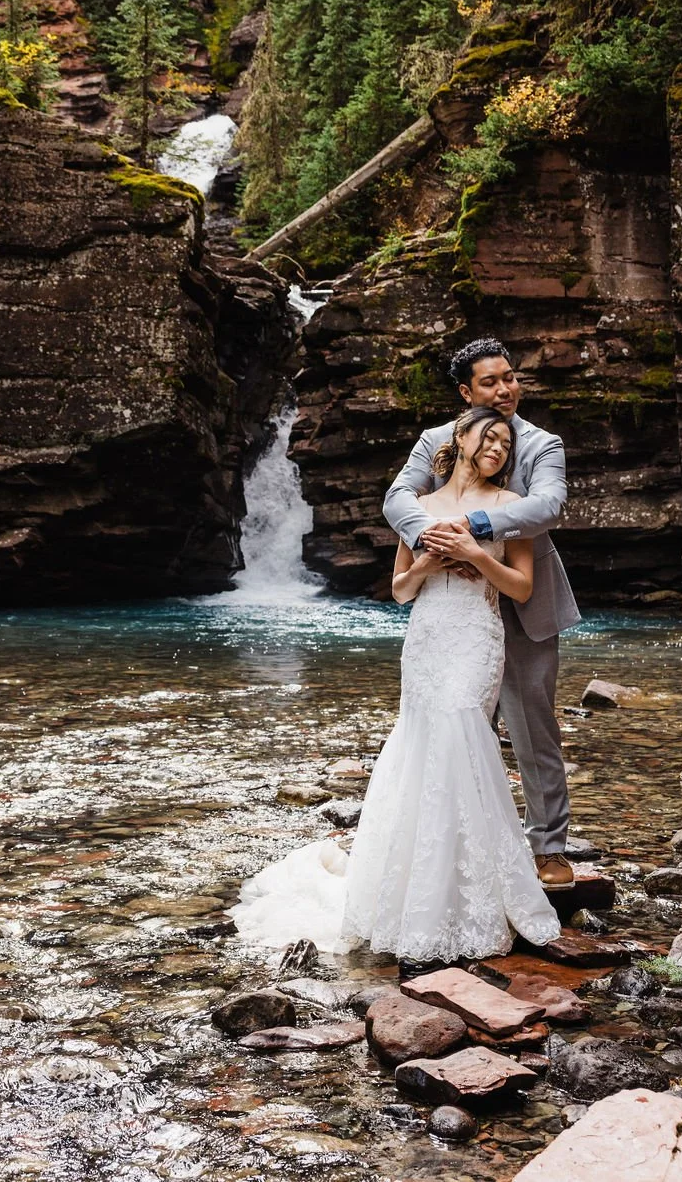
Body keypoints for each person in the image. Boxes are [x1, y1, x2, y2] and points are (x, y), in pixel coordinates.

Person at [229, 405, 561, 964]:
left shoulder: (511, 511)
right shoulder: (419, 509)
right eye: (490, 435)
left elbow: (523, 590)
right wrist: (433, 561)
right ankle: (411, 899)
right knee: (423, 751)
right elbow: (401, 590)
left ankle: (474, 899)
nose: (499, 447)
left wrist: (477, 554)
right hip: (428, 640)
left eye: (507, 441)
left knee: (465, 740)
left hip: (478, 638)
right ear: (460, 437)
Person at [383, 337, 581, 892]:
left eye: (510, 377)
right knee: (457, 726)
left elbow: (547, 507)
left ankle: (549, 848)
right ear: (466, 393)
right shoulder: (436, 440)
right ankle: (454, 848)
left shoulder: (542, 444)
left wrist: (476, 530)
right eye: (489, 382)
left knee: (532, 728)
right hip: (456, 608)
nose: (504, 389)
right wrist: (435, 538)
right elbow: (398, 498)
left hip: (524, 598)